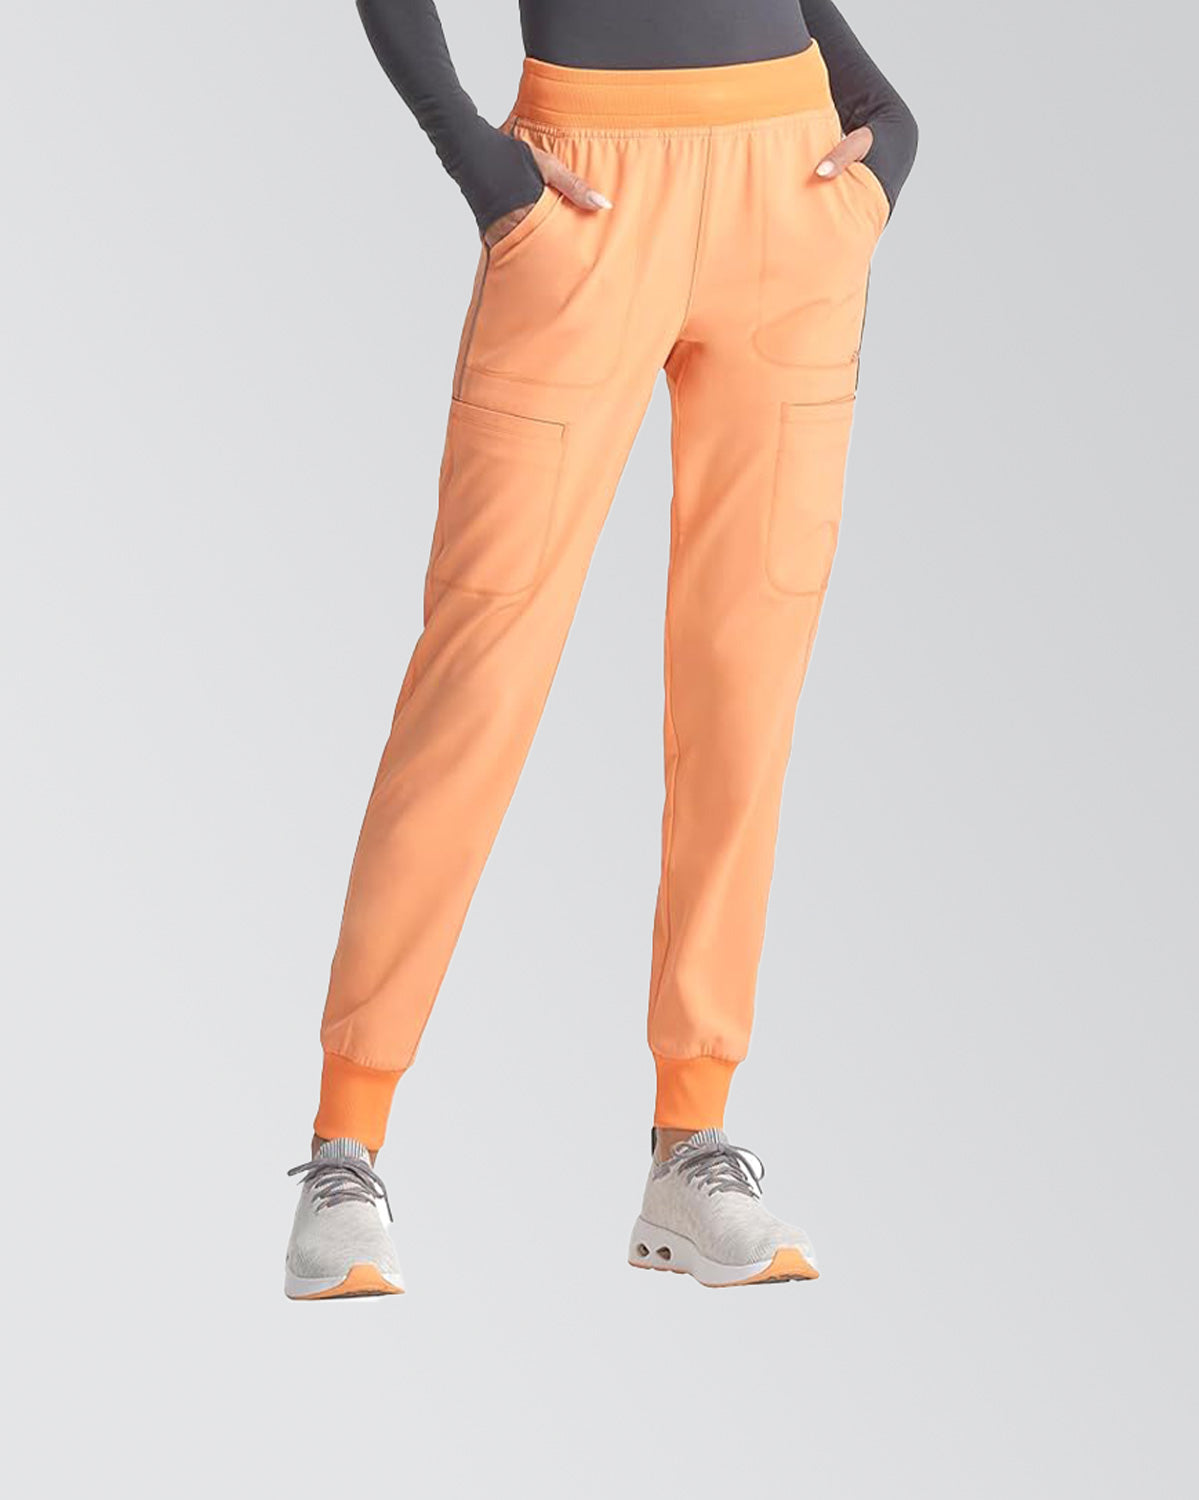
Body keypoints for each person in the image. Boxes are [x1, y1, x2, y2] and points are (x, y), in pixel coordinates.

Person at [284, 0, 917, 1299]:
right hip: (582, 196)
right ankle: (345, 1143)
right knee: (482, 664)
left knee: (747, 679)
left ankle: (694, 1140)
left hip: (792, 188)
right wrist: (476, 158)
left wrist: (883, 118)